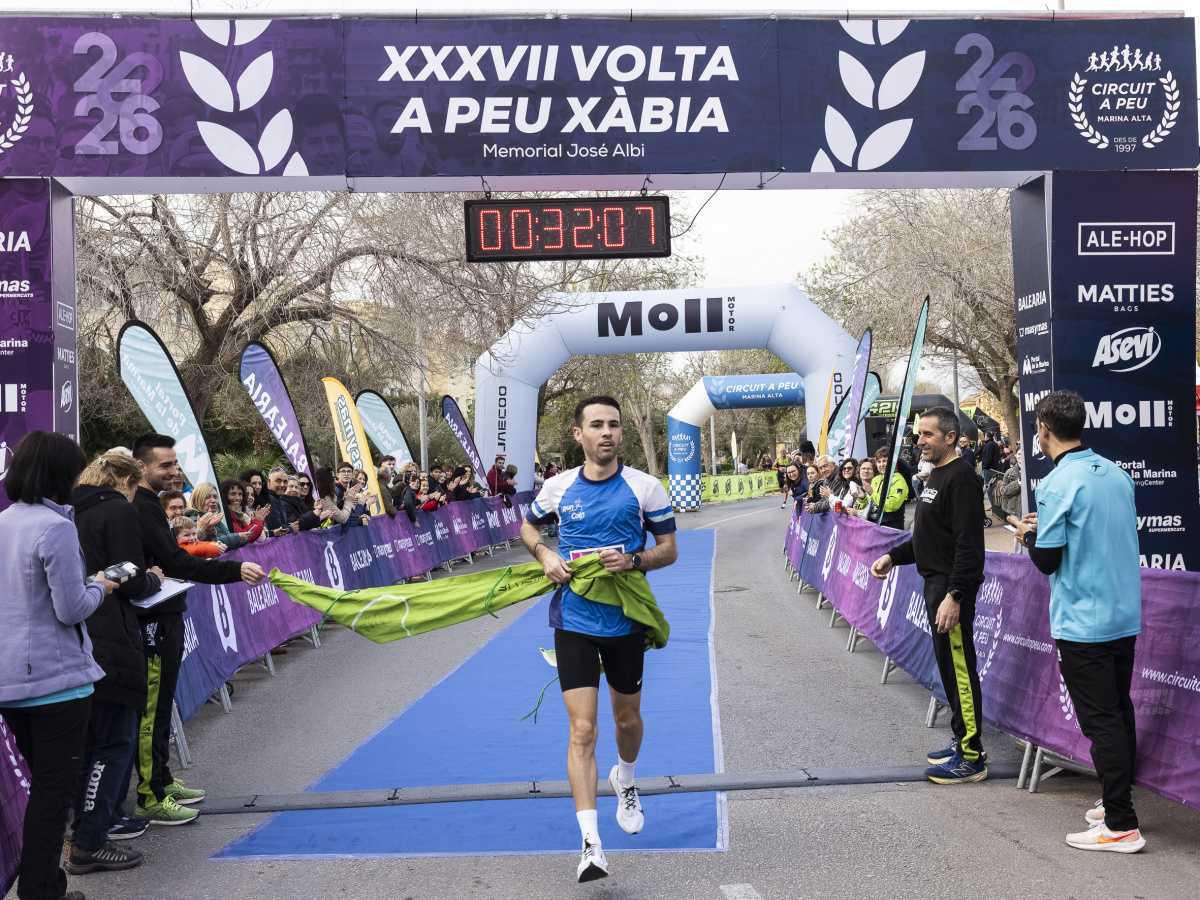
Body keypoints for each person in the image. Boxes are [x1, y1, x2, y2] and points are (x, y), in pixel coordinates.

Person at [520, 396, 678, 884]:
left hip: (625, 620)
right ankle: (591, 845)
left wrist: (633, 561)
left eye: (613, 424)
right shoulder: (558, 486)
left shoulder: (645, 487)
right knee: (583, 730)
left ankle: (625, 778)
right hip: (574, 619)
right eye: (596, 425)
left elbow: (669, 549)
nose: (607, 432)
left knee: (626, 720)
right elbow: (527, 525)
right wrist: (545, 555)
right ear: (578, 434)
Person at [1014, 392, 1145, 853]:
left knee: (1102, 720)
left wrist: (1028, 535)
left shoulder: (1056, 483)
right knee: (1119, 712)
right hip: (1123, 613)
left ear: (1043, 429)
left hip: (1083, 621)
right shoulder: (1117, 473)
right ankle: (1116, 803)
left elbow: (1047, 561)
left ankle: (1122, 824)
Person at [0, 432, 119, 900]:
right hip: (57, 684)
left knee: (41, 790)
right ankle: (41, 889)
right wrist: (101, 586)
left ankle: (44, 884)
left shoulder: (4, 521)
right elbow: (72, 609)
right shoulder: (56, 528)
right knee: (53, 794)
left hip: (11, 681)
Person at [130, 434, 265, 826]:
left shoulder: (150, 505)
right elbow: (176, 561)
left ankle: (161, 778)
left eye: (175, 464)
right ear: (141, 467)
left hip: (167, 614)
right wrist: (234, 570)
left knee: (163, 706)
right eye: (165, 465)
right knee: (152, 710)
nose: (174, 471)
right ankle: (150, 796)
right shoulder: (140, 507)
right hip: (151, 621)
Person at [870, 408, 987, 785]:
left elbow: (969, 546)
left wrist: (956, 594)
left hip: (950, 589)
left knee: (960, 671)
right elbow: (928, 537)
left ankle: (971, 756)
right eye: (918, 434)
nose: (919, 440)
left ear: (950, 437)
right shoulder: (935, 474)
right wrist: (893, 556)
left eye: (928, 434)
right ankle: (961, 738)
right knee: (950, 670)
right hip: (935, 584)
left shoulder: (962, 478)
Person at [70, 451, 165, 867]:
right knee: (113, 743)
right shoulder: (117, 511)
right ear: (127, 482)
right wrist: (153, 579)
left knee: (91, 744)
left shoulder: (69, 512)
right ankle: (90, 840)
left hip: (78, 637)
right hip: (112, 635)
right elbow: (129, 576)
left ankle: (88, 828)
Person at [869, 448, 911, 529]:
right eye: (879, 462)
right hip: (876, 524)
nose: (882, 464)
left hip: (892, 527)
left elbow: (893, 505)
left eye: (884, 461)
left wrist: (872, 493)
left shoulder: (899, 480)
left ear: (892, 462)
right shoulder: (875, 479)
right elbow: (870, 503)